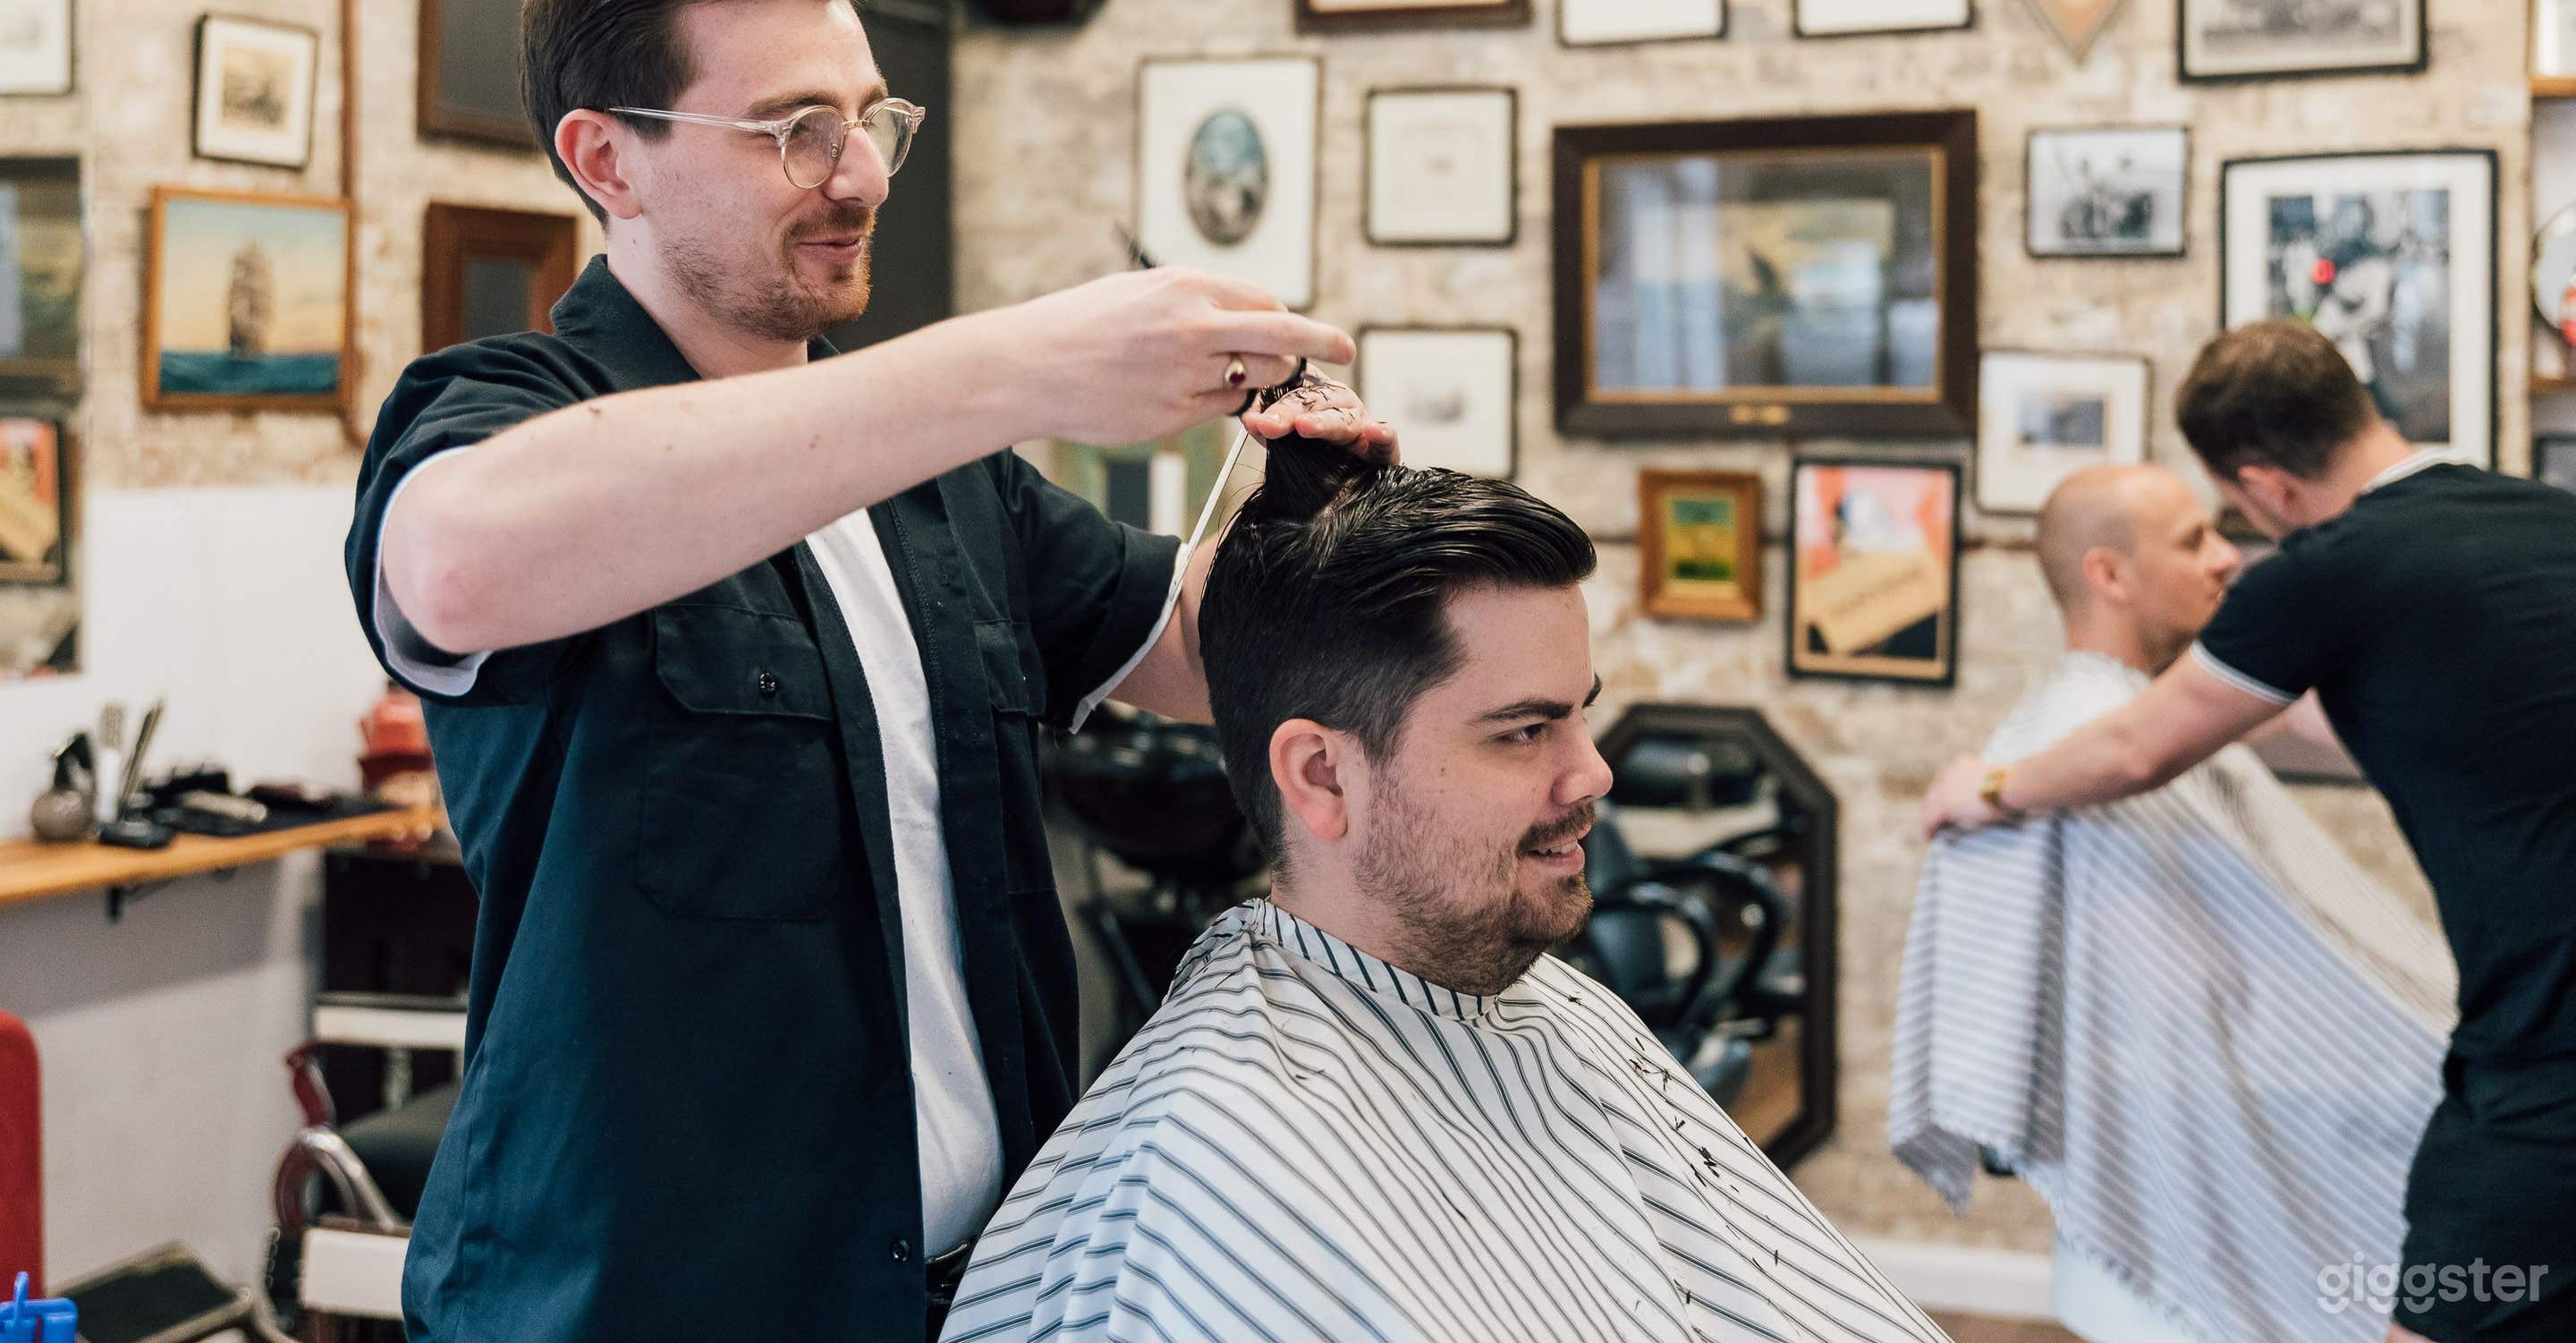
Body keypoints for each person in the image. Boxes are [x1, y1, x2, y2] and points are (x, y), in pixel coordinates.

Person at [345, 0, 1394, 1343]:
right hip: (647, 1302)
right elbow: (459, 562)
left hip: (982, 1291)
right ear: (609, 162)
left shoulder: (938, 477)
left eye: (871, 120)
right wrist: (1019, 363)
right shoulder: (506, 417)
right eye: (794, 131)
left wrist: (1305, 511)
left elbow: (1196, 652)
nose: (861, 175)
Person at [945, 437, 1951, 1343]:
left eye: (1580, 717)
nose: (1593, 773)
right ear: (1323, 776)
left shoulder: (1541, 1004)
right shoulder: (1222, 1159)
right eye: (1523, 730)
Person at [1923, 321, 2576, 1343]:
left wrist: (1987, 787)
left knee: (2440, 1316)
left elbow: (2138, 751)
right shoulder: (2542, 521)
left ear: (2267, 485)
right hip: (2544, 1033)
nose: (2228, 554)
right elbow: (2383, 718)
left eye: (2227, 521)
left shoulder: (2335, 568)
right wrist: (2210, 699)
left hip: (2549, 1060)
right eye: (2195, 539)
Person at [1894, 465, 2453, 1343]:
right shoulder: (2073, 739)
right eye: (2195, 540)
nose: (2228, 558)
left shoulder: (2133, 719)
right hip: (2190, 1129)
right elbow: (2161, 1016)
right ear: (2110, 575)